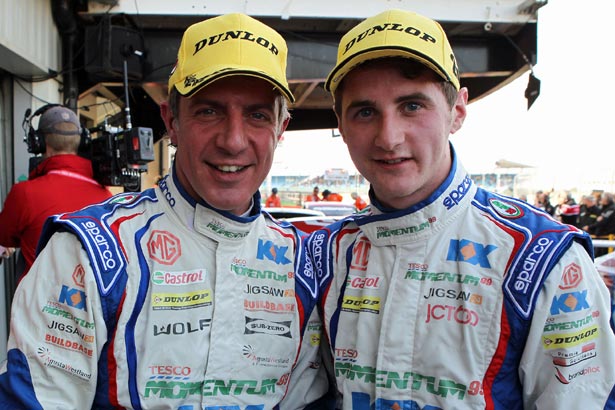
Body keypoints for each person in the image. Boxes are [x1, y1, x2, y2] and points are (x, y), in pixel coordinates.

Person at [0, 13, 329, 408]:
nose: (233, 140)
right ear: (171, 121)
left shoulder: (305, 266)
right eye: (209, 111)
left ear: (281, 128)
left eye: (257, 115)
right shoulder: (89, 251)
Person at [307, 9, 615, 409]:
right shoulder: (327, 254)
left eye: (412, 106)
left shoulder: (543, 257)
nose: (389, 137)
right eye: (365, 111)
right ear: (341, 124)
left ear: (458, 112)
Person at [0, 105, 112, 278]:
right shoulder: (106, 198)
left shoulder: (24, 193)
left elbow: (4, 237)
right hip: (88, 303)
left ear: (39, 142)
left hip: (37, 304)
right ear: (82, 142)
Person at [583, 192, 615, 257]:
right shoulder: (604, 209)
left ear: (606, 200)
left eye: (602, 199)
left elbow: (603, 221)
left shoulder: (611, 208)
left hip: (607, 237)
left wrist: (590, 227)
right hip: (601, 236)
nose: (600, 201)